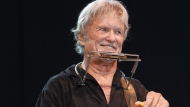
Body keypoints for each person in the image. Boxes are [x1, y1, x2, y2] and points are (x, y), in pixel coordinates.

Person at [35, 0, 169, 107]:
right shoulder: (60, 87)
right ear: (82, 36)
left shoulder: (134, 89)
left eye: (118, 32)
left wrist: (160, 104)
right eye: (103, 29)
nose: (112, 38)